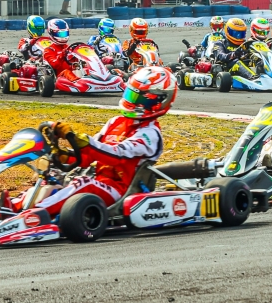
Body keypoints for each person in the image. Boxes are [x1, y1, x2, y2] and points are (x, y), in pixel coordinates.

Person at [34, 66, 175, 217]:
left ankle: (35, 215)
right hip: (97, 180)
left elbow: (117, 155)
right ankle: (14, 209)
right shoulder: (116, 122)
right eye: (130, 95)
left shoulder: (150, 134)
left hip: (120, 189)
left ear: (157, 101)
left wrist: (81, 140)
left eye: (137, 98)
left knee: (83, 183)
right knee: (50, 183)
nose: (130, 101)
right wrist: (64, 157)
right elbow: (89, 156)